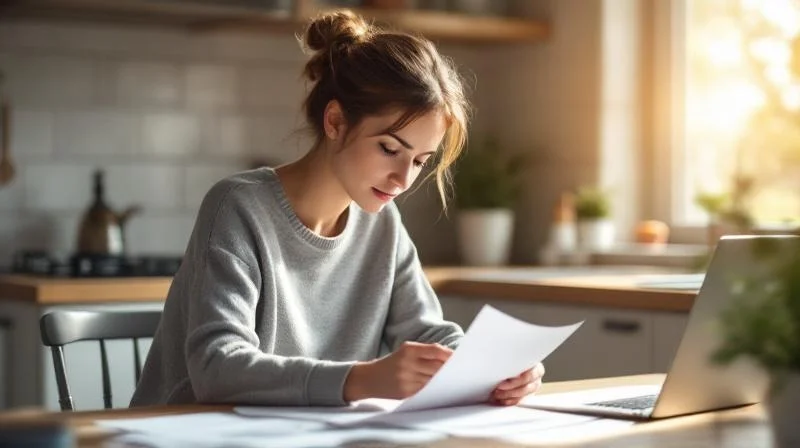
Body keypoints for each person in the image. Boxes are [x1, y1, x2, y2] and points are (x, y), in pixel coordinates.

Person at [131, 10, 544, 408]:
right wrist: (362, 379)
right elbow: (217, 367)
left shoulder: (382, 222)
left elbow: (426, 333)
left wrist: (493, 370)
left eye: (420, 161)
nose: (403, 179)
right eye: (389, 149)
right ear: (335, 122)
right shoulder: (238, 207)